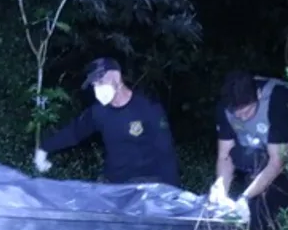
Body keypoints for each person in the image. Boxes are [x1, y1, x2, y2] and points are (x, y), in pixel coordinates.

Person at [33, 57, 181, 186]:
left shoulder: (147, 108)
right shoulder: (99, 112)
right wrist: (44, 148)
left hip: (146, 184)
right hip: (114, 184)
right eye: (94, 85)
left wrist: (171, 193)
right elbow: (74, 132)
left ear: (116, 77)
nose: (97, 88)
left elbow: (166, 153)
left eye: (101, 81)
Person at [209, 69, 288, 230]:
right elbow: (224, 156)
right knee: (253, 219)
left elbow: (277, 162)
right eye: (236, 114)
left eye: (247, 111)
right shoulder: (225, 106)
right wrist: (220, 189)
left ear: (259, 95)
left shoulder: (278, 99)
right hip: (256, 156)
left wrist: (244, 198)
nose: (241, 118)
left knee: (279, 214)